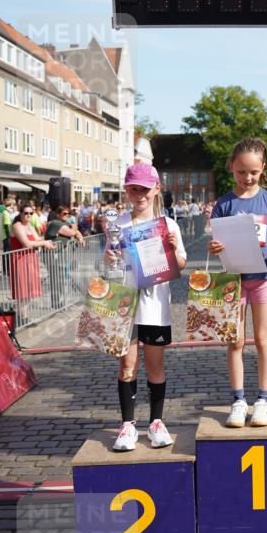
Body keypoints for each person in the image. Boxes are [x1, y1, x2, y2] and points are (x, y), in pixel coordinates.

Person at [208, 137, 267, 428]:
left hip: (262, 279)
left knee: (263, 339)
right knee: (235, 341)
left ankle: (264, 400)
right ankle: (238, 401)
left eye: (253, 172)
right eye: (242, 172)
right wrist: (213, 248)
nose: (247, 177)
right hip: (234, 281)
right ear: (232, 167)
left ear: (263, 168)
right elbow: (215, 239)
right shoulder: (224, 203)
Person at [109, 163, 187, 453]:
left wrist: (174, 247)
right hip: (126, 304)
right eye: (133, 188)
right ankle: (128, 424)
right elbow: (111, 268)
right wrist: (109, 259)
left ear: (156, 189)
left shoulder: (169, 225)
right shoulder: (119, 224)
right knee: (127, 365)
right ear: (126, 189)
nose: (139, 194)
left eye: (144, 188)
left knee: (155, 366)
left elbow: (179, 265)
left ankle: (156, 422)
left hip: (155, 306)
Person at [8, 204, 56, 316]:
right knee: (22, 291)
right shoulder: (17, 226)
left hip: (30, 259)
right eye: (26, 213)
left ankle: (23, 316)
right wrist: (43, 243)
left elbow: (38, 239)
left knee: (29, 290)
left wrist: (50, 239)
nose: (28, 215)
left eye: (31, 213)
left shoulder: (30, 226)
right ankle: (21, 317)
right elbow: (27, 244)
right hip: (20, 259)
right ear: (20, 214)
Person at [45, 206, 86, 308]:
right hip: (52, 255)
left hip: (61, 255)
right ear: (58, 214)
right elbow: (72, 232)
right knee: (56, 279)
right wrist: (75, 226)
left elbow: (76, 232)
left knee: (61, 279)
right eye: (64, 213)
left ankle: (59, 302)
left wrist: (80, 238)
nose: (66, 216)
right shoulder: (56, 223)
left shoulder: (66, 224)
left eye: (68, 214)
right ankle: (56, 303)